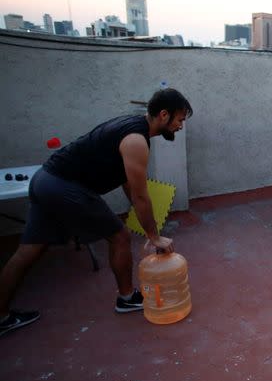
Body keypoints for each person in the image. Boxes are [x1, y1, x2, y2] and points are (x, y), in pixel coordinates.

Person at [0, 89, 193, 337]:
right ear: (164, 115)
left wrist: (144, 221)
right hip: (64, 186)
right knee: (119, 236)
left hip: (44, 180)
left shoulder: (131, 128)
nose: (180, 126)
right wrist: (154, 236)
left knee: (28, 251)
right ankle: (126, 298)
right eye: (179, 119)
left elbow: (128, 184)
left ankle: (1, 316)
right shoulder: (136, 140)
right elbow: (140, 195)